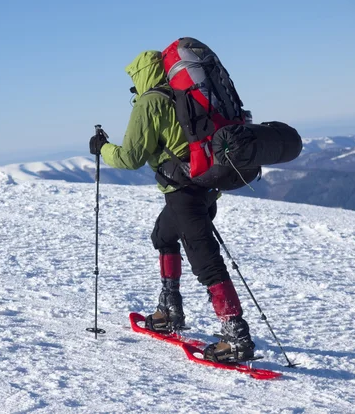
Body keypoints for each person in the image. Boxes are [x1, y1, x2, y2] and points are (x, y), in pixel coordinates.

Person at [89, 50, 255, 363]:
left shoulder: (150, 101)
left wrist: (103, 149)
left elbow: (130, 157)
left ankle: (235, 335)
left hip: (184, 191)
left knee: (204, 258)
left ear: (140, 75)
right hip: (205, 185)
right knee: (163, 236)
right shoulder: (184, 96)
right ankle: (170, 309)